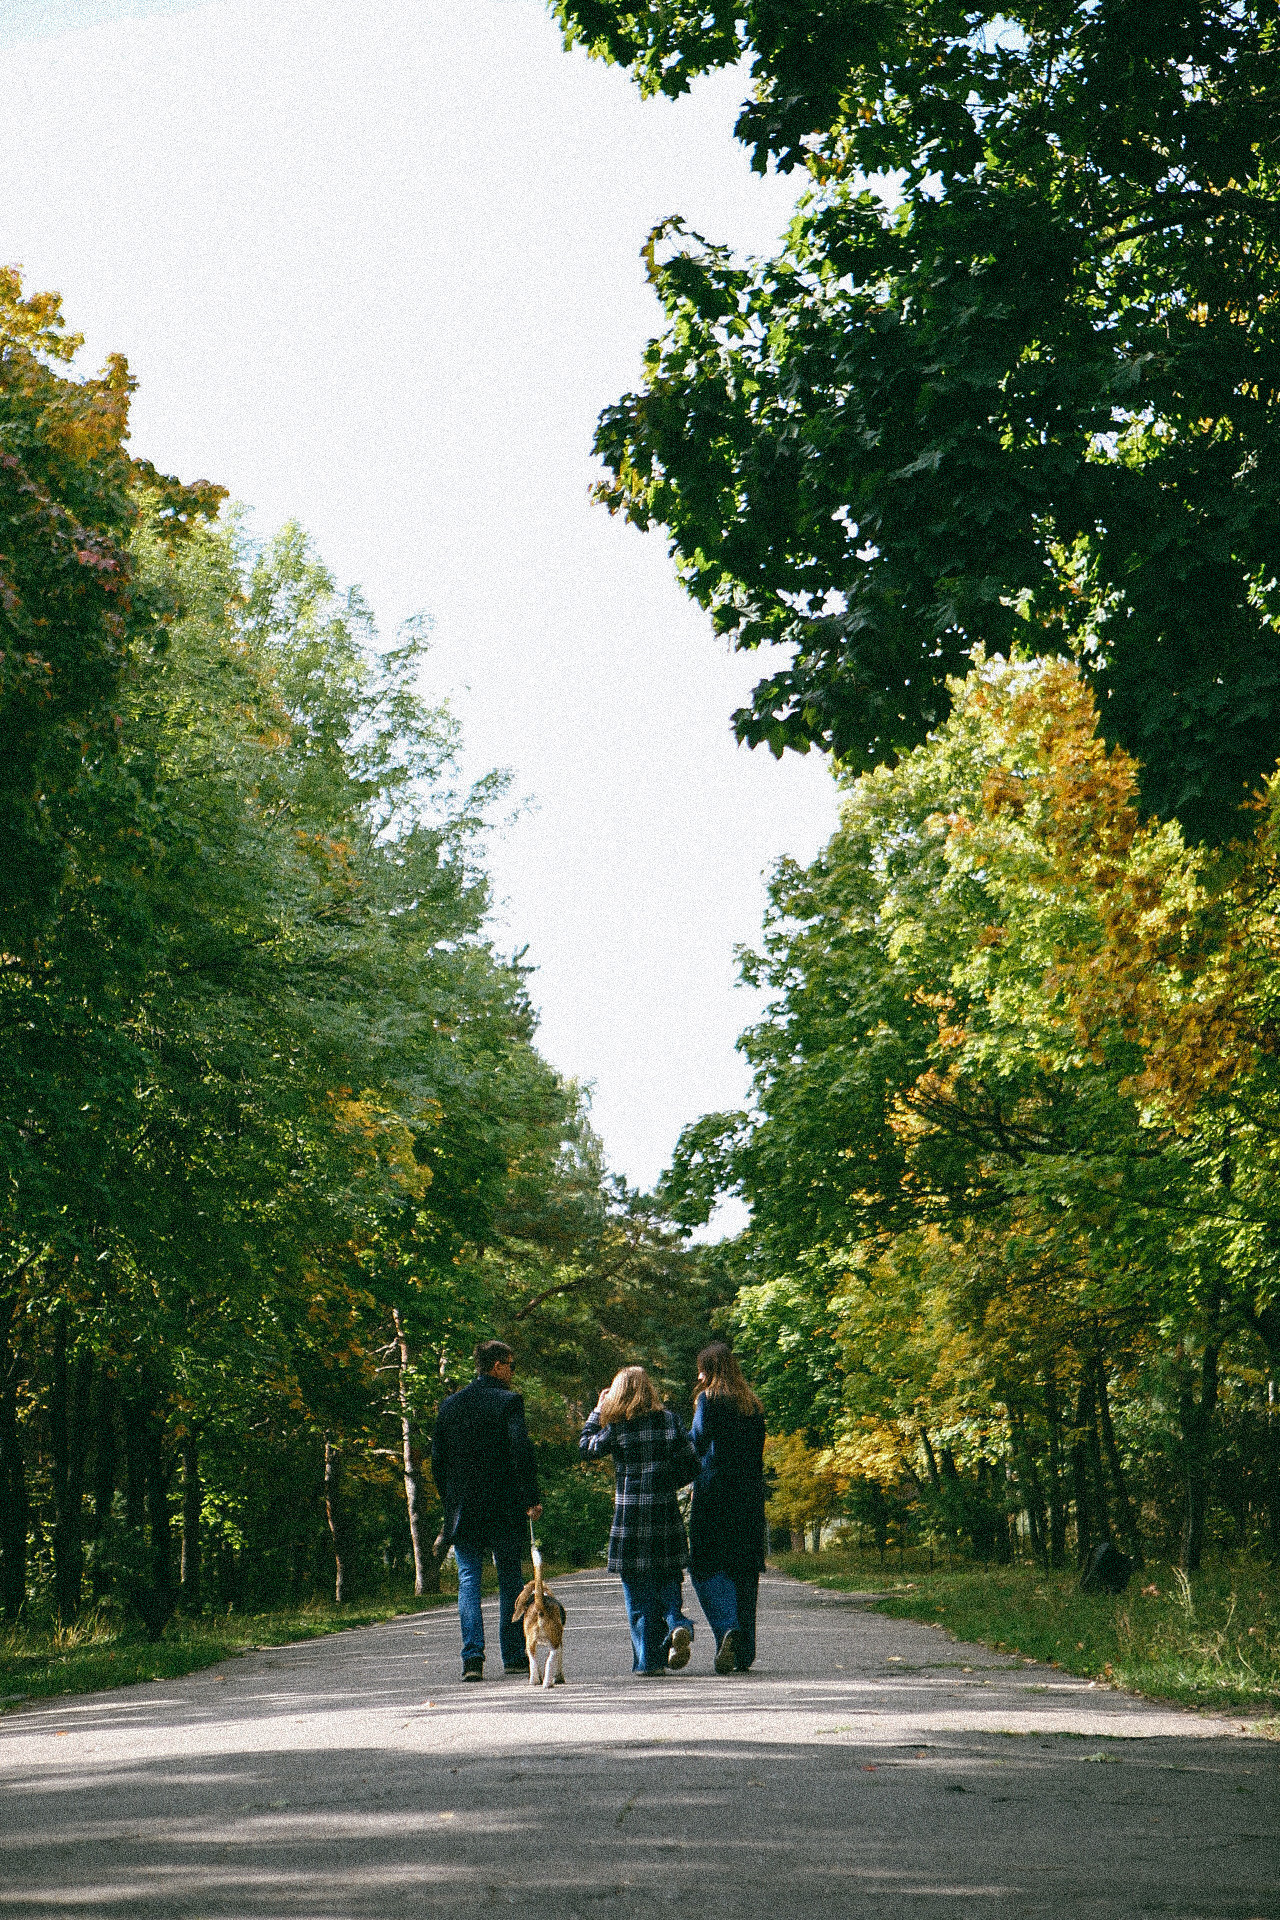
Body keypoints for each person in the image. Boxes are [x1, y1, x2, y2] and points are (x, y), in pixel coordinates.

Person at [430, 1339, 542, 1681]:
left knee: (468, 1582)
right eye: (510, 1365)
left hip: (464, 1508)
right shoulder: (508, 1402)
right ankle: (512, 1655)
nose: (512, 1372)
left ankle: (472, 1660)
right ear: (496, 1366)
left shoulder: (450, 1405)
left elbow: (438, 1461)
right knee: (510, 1578)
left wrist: (449, 1499)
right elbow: (520, 1450)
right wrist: (531, 1497)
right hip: (504, 1506)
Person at [579, 1365, 699, 1675]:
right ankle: (677, 1621)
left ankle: (649, 1662)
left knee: (637, 1590)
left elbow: (586, 1448)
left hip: (629, 1516)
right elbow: (692, 1464)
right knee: (668, 1576)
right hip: (663, 1512)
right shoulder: (669, 1420)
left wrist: (597, 1410)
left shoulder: (616, 1426)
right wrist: (666, 1482)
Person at [687, 1342, 767, 1674]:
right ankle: (745, 1651)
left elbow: (696, 1443)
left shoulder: (709, 1401)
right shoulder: (753, 1405)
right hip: (748, 1494)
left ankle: (727, 1627)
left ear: (708, 1370)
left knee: (704, 1564)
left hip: (714, 1492)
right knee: (744, 1568)